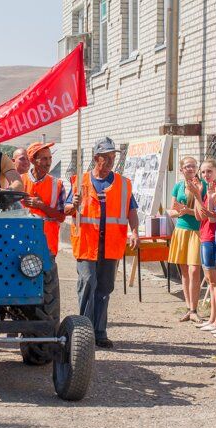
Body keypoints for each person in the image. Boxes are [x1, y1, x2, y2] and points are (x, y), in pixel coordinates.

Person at [65, 137, 139, 348]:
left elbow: (131, 211)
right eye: (105, 158)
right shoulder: (79, 181)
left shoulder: (123, 184)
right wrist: (73, 205)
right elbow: (66, 210)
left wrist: (134, 231)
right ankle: (83, 333)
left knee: (105, 288)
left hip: (111, 244)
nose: (109, 163)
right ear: (95, 158)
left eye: (112, 158)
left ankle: (99, 332)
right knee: (88, 283)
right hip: (87, 244)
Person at [167, 156, 204, 323]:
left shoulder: (201, 185)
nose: (190, 169)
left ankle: (195, 308)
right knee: (184, 271)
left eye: (193, 166)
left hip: (197, 230)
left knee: (195, 270)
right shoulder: (178, 186)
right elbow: (172, 210)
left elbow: (200, 211)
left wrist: (186, 210)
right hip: (181, 230)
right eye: (187, 166)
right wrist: (179, 211)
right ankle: (189, 308)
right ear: (181, 169)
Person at [193, 159, 216, 332]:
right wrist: (198, 195)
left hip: (214, 237)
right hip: (205, 235)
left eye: (209, 171)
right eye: (203, 172)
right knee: (211, 282)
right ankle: (213, 317)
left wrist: (198, 195)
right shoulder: (206, 190)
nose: (206, 175)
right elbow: (199, 216)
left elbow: (209, 216)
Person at [21, 141, 66, 257]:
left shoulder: (58, 184)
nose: (49, 163)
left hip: (47, 247)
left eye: (50, 158)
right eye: (44, 159)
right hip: (22, 244)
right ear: (32, 161)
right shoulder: (20, 182)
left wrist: (42, 206)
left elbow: (61, 217)